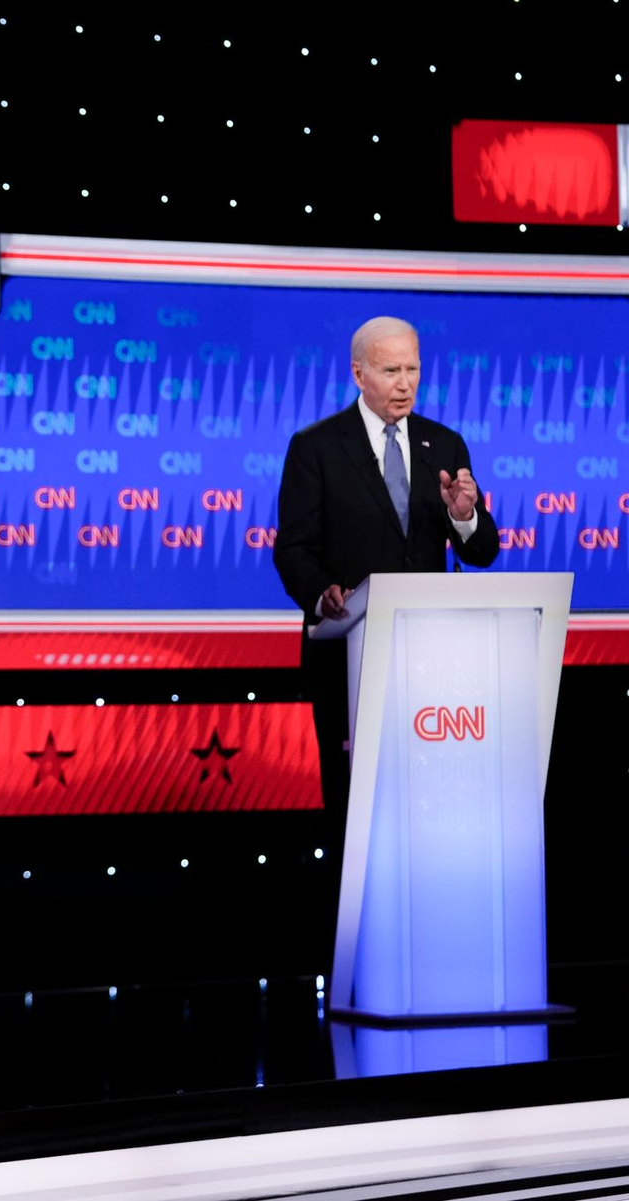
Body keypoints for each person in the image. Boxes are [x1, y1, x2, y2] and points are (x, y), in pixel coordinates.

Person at [273, 316, 499, 859]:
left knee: (426, 804)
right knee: (355, 812)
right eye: (391, 370)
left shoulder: (442, 445)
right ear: (359, 373)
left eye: (413, 369)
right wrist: (323, 590)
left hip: (432, 663)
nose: (405, 383)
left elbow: (481, 550)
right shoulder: (317, 447)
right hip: (348, 658)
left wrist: (465, 516)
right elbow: (293, 550)